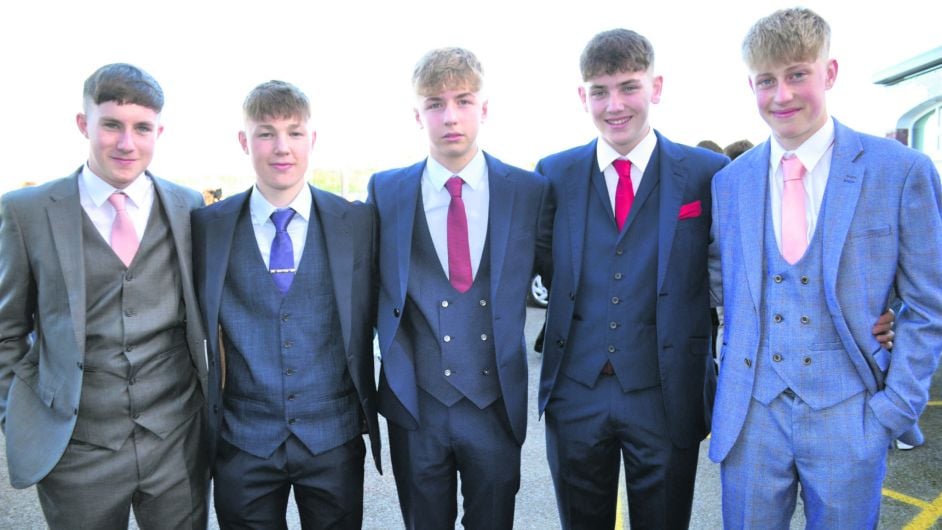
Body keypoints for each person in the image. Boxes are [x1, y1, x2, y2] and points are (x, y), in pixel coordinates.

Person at [708, 7, 942, 528]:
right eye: (766, 80)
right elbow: (716, 286)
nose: (782, 94)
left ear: (829, 73)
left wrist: (893, 410)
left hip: (851, 414)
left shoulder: (900, 171)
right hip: (750, 418)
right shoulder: (730, 182)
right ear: (752, 84)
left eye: (797, 74)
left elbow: (930, 304)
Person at [0, 63, 209, 529]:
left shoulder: (188, 206)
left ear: (159, 131)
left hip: (176, 441)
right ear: (84, 124)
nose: (126, 143)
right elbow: (6, 330)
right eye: (111, 124)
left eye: (142, 128)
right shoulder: (27, 211)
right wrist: (18, 417)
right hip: (77, 451)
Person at [535, 29, 727, 529]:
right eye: (599, 91)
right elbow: (531, 267)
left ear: (655, 87)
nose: (614, 105)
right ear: (583, 97)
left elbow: (746, 266)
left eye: (628, 87)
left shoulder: (707, 173)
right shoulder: (553, 174)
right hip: (576, 394)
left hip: (666, 395)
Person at [367, 47, 550, 529]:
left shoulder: (527, 191)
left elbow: (566, 281)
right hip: (416, 406)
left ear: (484, 109)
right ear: (417, 114)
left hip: (494, 404)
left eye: (464, 101)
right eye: (435, 103)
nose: (450, 116)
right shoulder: (386, 191)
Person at [191, 80, 381, 529]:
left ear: (312, 140)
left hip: (332, 437)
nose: (282, 147)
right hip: (242, 441)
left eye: (294, 132)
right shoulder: (206, 227)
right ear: (244, 141)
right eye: (265, 132)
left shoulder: (357, 221)